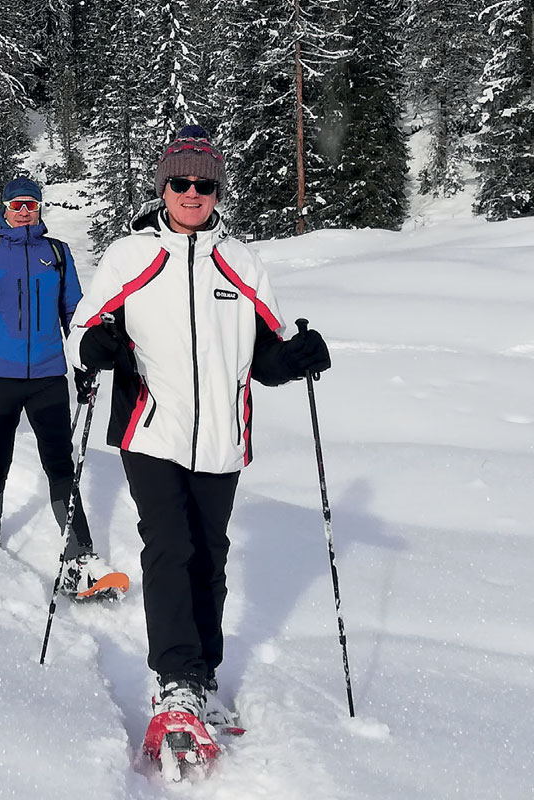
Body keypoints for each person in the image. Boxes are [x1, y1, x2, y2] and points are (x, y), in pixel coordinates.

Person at [65, 125, 332, 729]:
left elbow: (266, 356)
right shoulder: (131, 256)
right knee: (169, 545)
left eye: (204, 183)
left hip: (222, 436)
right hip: (150, 428)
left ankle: (203, 672)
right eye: (181, 181)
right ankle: (176, 678)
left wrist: (296, 360)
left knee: (210, 554)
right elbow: (81, 334)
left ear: (217, 191)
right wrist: (99, 347)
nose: (192, 193)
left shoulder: (242, 263)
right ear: (163, 187)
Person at [0, 175, 120, 599]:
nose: (24, 212)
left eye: (31, 205)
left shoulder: (57, 253)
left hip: (47, 375)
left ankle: (80, 558)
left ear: (40, 209)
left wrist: (83, 362)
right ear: (3, 210)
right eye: (16, 205)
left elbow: (74, 313)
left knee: (60, 462)